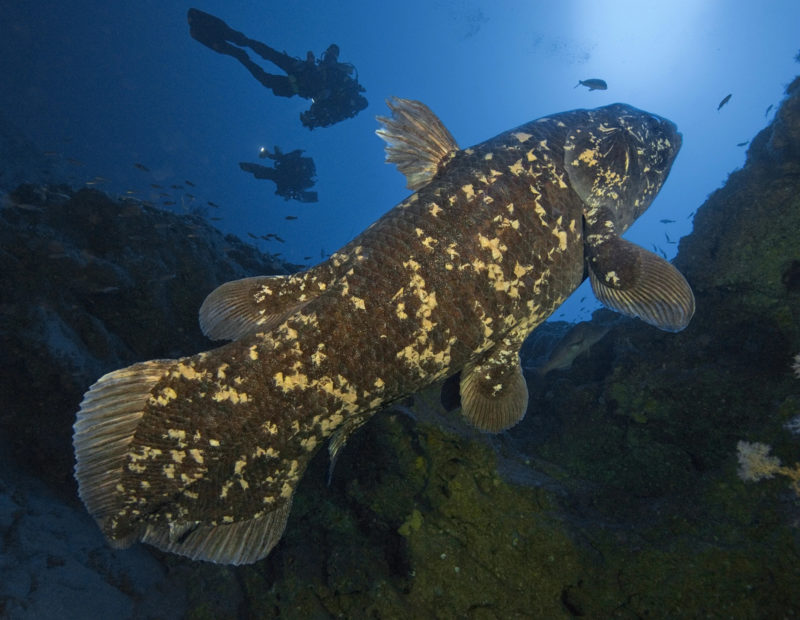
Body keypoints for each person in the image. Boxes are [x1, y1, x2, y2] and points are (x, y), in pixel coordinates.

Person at [187, 8, 367, 129]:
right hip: (301, 75)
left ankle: (234, 48)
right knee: (265, 60)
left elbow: (321, 116)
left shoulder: (340, 104)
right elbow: (331, 59)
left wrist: (311, 118)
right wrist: (317, 63)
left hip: (299, 80)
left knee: (265, 62)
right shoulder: (343, 86)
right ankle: (232, 44)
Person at [240, 146, 318, 203]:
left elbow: (281, 159)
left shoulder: (293, 168)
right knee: (270, 172)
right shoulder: (289, 162)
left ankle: (250, 167)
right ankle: (249, 167)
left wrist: (287, 193)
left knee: (270, 173)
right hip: (285, 176)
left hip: (286, 178)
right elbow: (281, 159)